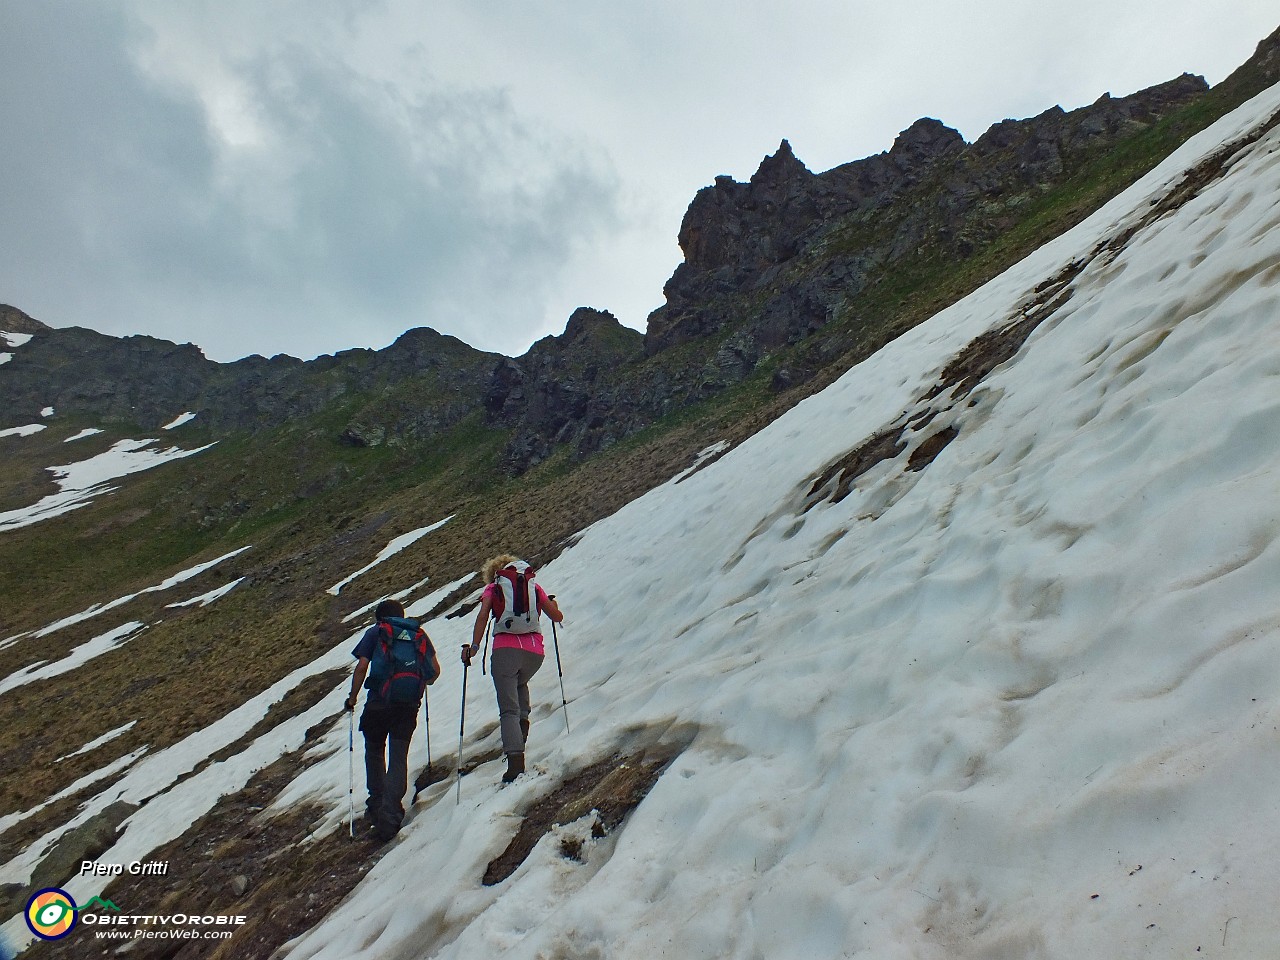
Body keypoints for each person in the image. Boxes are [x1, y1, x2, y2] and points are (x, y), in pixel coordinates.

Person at [463, 555, 564, 783]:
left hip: (505, 651)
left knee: (508, 710)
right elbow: (557, 616)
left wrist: (475, 646)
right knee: (520, 683)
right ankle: (522, 731)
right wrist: (553, 604)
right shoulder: (533, 586)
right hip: (534, 653)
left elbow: (482, 617)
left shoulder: (493, 588)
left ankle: (515, 763)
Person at [346, 599, 440, 841]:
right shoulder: (418, 633)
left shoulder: (376, 632)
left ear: (380, 617)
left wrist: (353, 697)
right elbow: (434, 673)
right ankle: (391, 814)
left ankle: (377, 806)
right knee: (399, 757)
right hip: (407, 705)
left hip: (378, 703)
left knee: (375, 751)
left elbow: (362, 666)